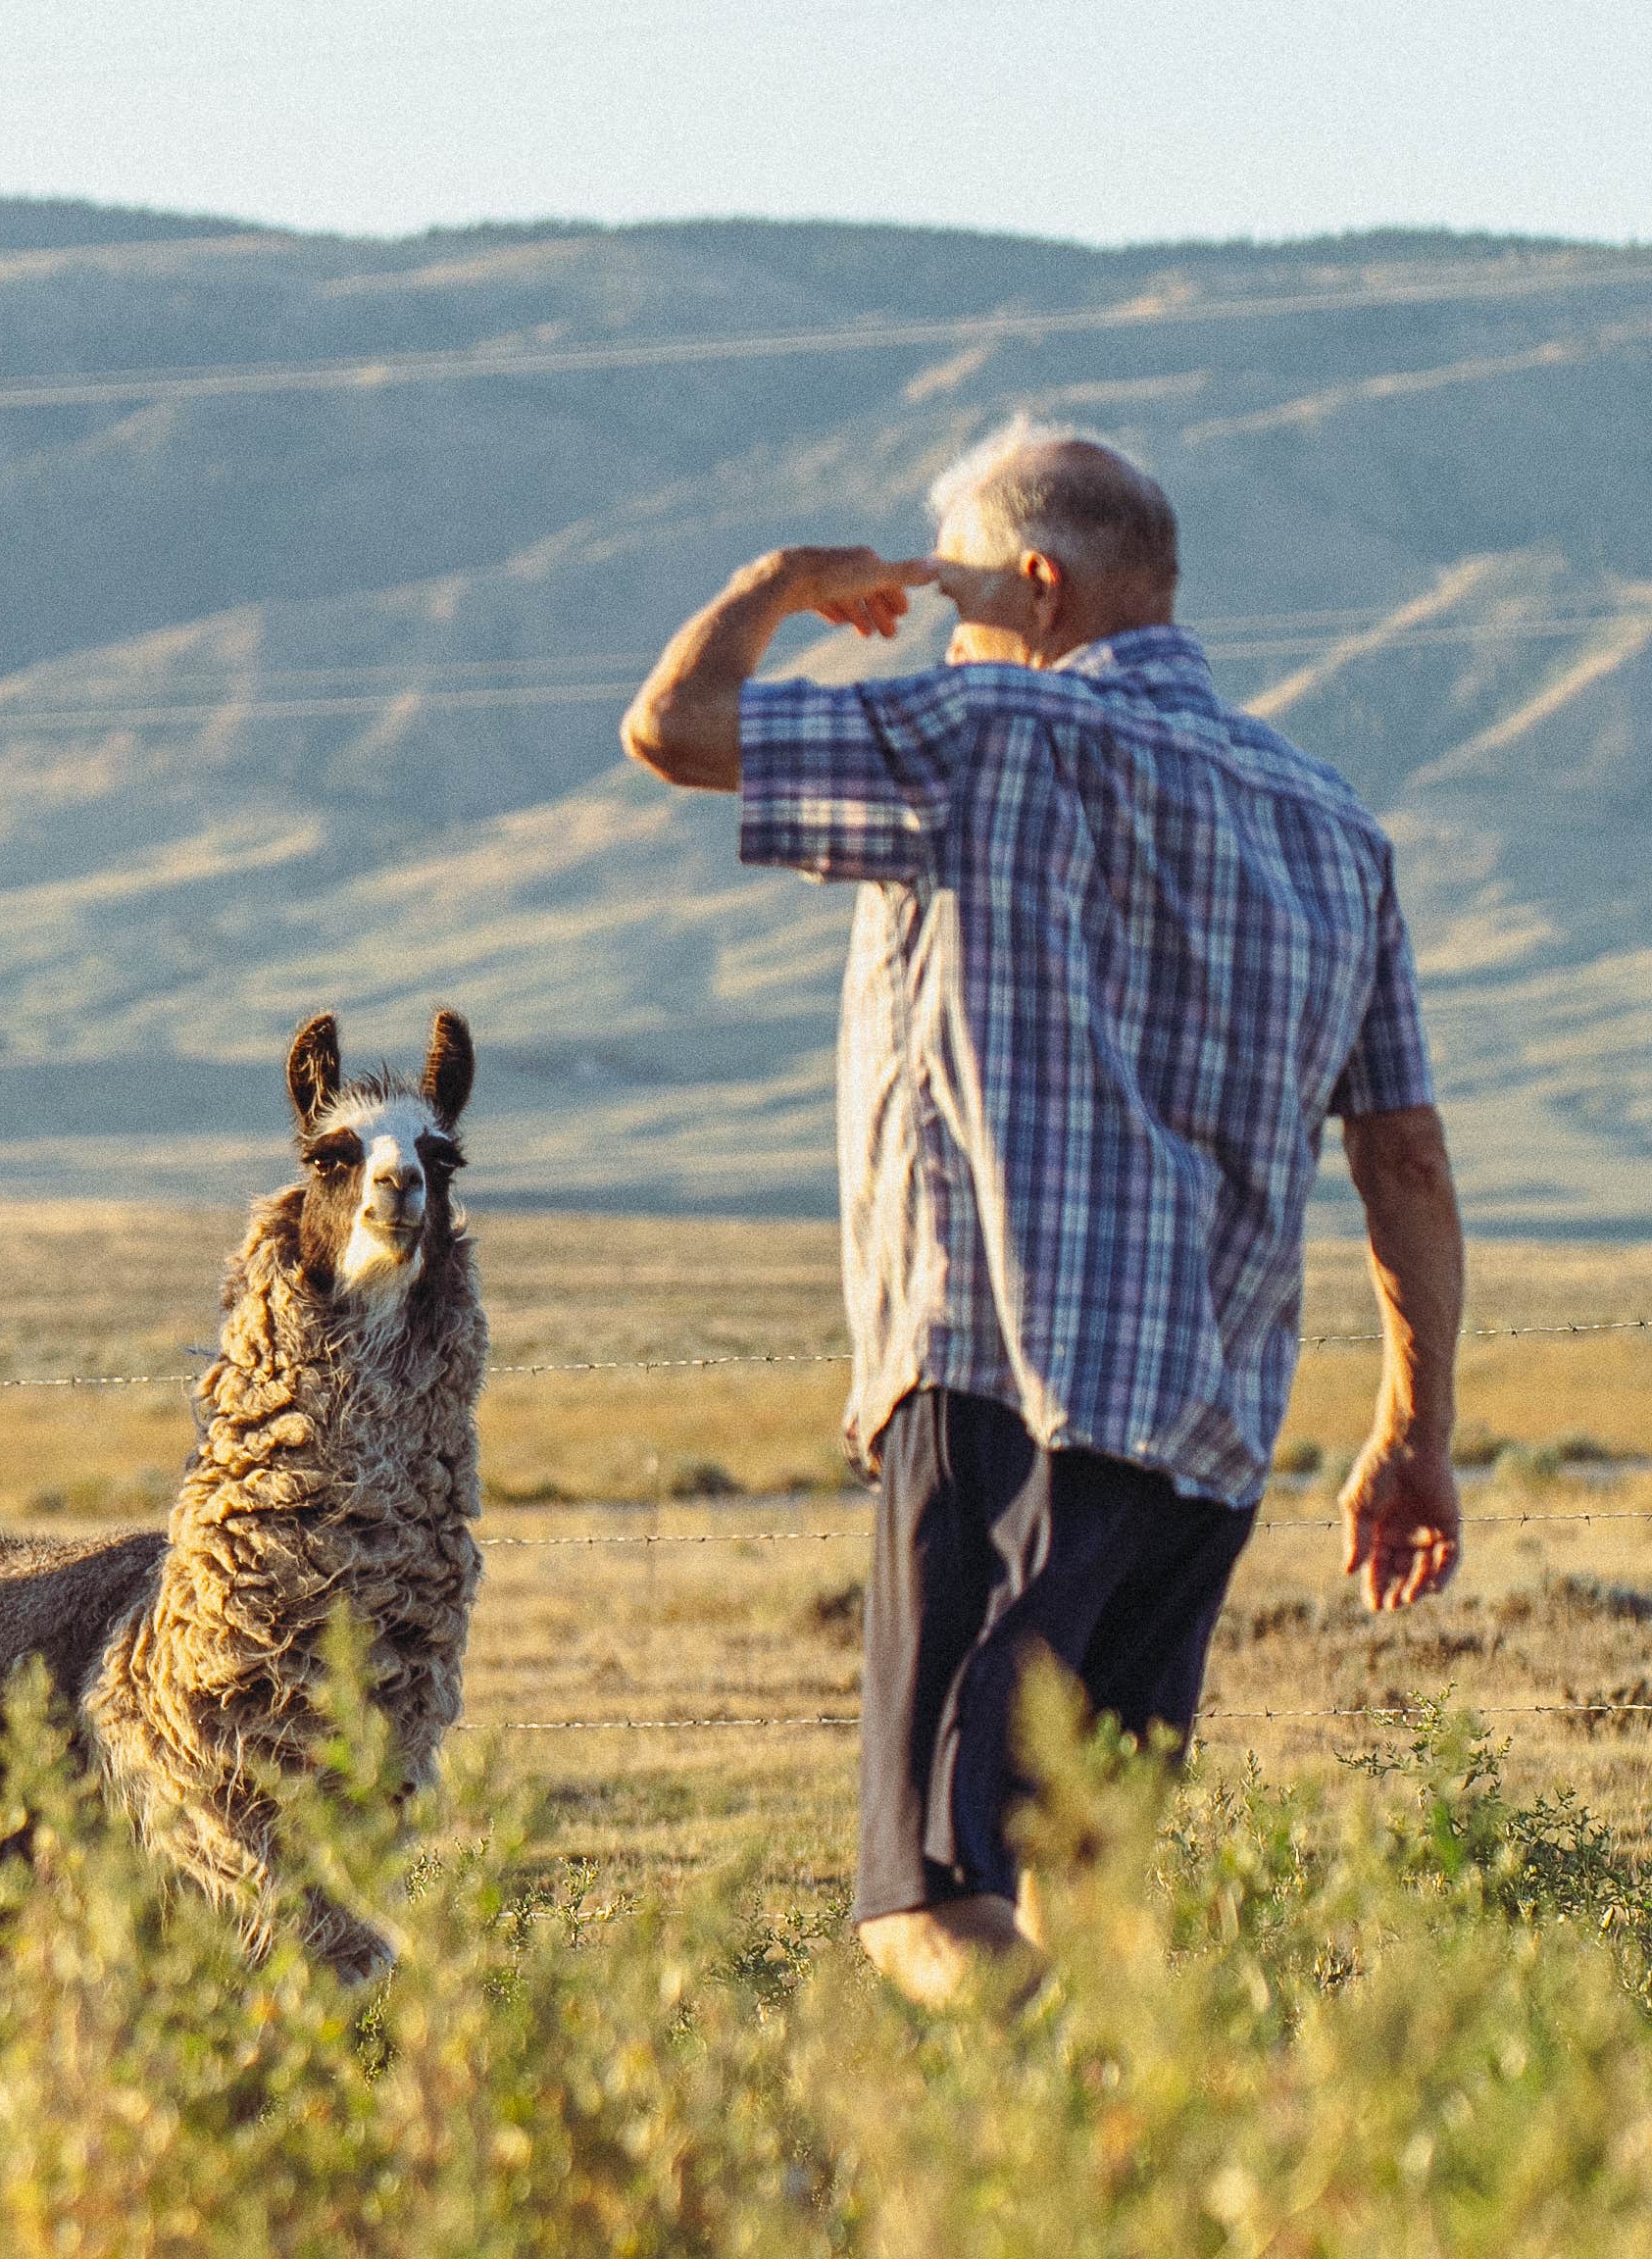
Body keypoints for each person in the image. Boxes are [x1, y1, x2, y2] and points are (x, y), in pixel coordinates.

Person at [615, 420, 1461, 2008]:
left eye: (959, 601)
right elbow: (1404, 1161)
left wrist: (784, 583)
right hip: (1206, 1433)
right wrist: (1417, 1429)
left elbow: (673, 729)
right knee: (1099, 1896)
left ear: (1041, 587)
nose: (949, 635)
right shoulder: (1337, 829)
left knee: (929, 1910)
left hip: (1007, 1383)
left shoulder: (987, 732)